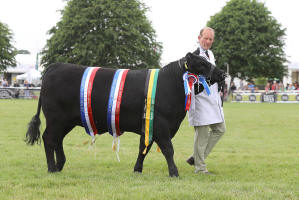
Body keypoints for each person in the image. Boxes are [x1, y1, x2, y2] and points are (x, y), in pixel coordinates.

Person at [186, 27, 226, 174]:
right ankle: (200, 168)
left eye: (210, 39)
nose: (208, 42)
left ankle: (196, 157)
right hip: (200, 100)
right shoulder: (193, 56)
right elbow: (192, 81)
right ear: (199, 37)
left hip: (213, 100)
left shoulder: (211, 54)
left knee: (220, 129)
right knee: (201, 136)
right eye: (205, 38)